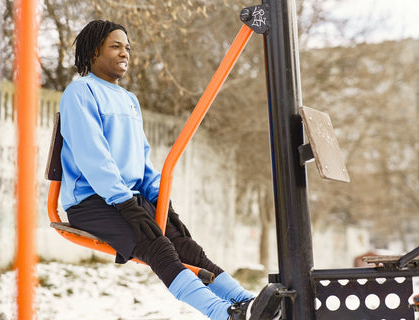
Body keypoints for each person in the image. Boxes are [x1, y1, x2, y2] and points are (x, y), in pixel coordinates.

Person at [59, 19, 270, 320]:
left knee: (188, 248)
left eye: (127, 48)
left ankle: (246, 302)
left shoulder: (129, 100)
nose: (124, 54)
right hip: (92, 200)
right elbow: (94, 157)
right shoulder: (81, 93)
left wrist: (163, 203)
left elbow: (142, 161)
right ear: (93, 52)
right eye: (115, 47)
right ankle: (223, 313)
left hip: (128, 199)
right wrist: (124, 203)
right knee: (159, 248)